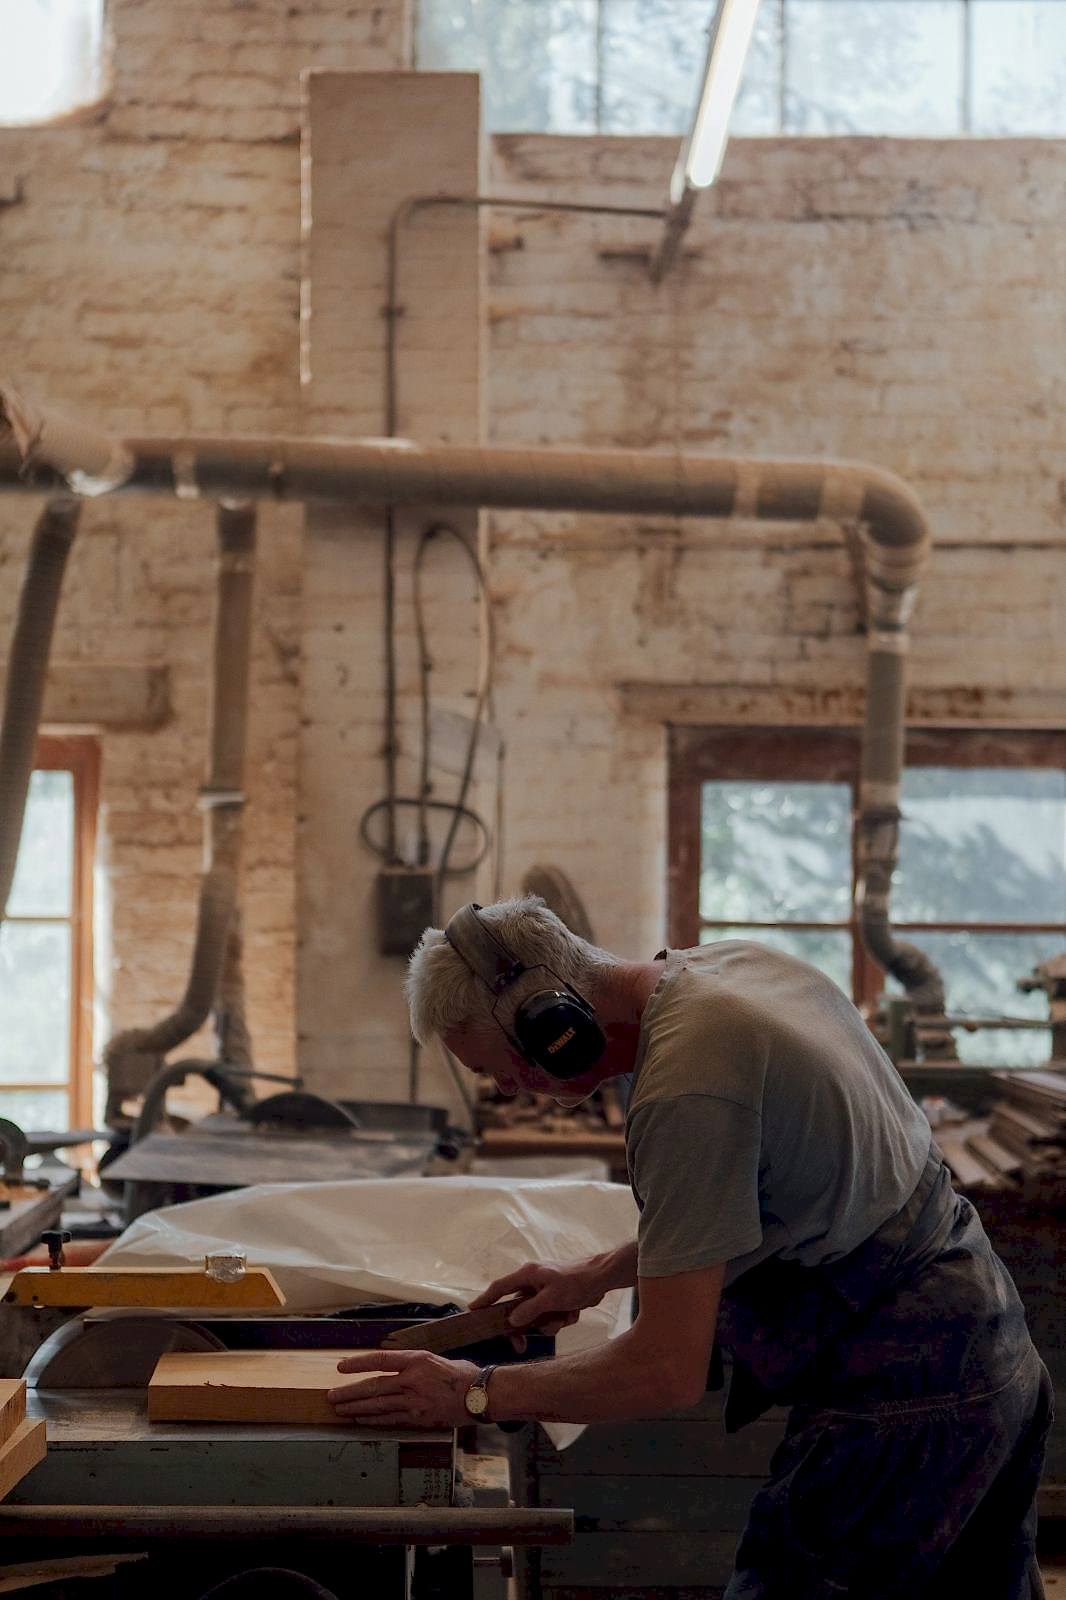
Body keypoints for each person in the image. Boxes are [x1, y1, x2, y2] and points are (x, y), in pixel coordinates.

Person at [328, 896, 1053, 1599]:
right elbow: (781, 1198)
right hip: (989, 1344)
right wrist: (597, 1275)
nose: (512, 1091)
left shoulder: (687, 1087)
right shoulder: (730, 970)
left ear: (551, 1019)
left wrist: (475, 1393)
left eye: (500, 1067)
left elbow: (664, 1368)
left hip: (910, 1393)